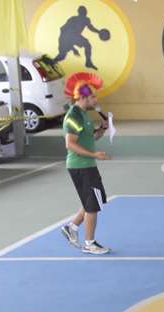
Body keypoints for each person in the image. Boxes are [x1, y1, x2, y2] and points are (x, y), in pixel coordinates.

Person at [59, 73, 112, 255]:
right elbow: (70, 144)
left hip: (87, 164)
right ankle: (90, 243)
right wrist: (94, 155)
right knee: (92, 206)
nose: (96, 100)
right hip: (80, 166)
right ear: (82, 97)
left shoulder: (84, 114)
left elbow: (91, 138)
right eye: (93, 97)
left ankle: (72, 227)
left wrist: (102, 129)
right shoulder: (73, 116)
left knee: (95, 199)